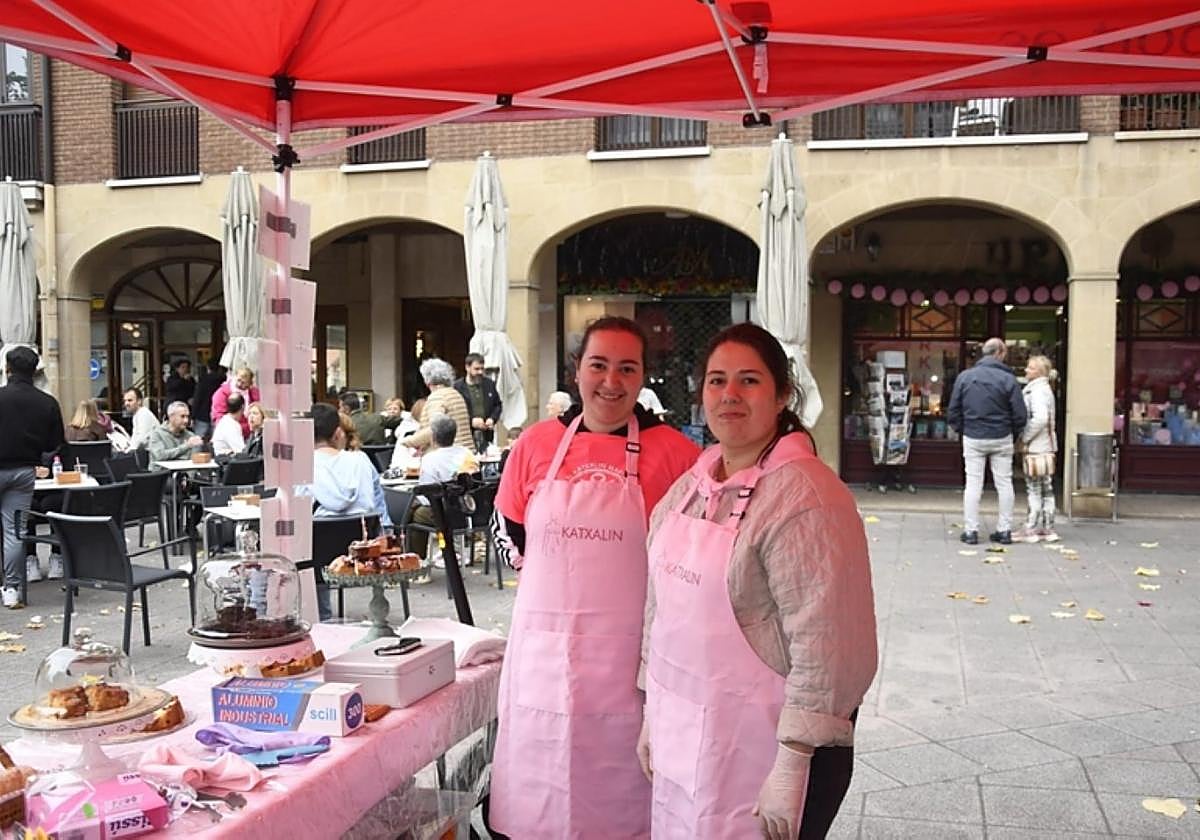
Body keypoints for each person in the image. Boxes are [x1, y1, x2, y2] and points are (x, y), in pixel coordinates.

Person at [637, 323, 877, 840]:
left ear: (782, 395)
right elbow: (657, 612)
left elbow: (829, 640)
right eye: (716, 381)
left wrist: (793, 761)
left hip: (767, 752)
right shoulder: (688, 489)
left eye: (749, 381)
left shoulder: (806, 498)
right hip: (687, 737)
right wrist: (653, 712)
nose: (729, 396)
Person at [487, 316, 699, 840]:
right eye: (599, 365)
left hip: (630, 665)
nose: (612, 381)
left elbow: (695, 553)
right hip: (544, 658)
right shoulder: (536, 444)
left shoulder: (675, 452)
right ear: (576, 371)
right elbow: (508, 528)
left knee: (625, 804)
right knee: (540, 803)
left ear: (644, 376)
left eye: (627, 368)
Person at [308, 403, 392, 620]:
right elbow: (379, 506)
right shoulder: (362, 461)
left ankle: (322, 617)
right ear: (338, 433)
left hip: (318, 557)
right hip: (364, 550)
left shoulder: (302, 467)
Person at [0, 348, 65, 608]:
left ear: (7, 368)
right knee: (14, 532)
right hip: (24, 471)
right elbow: (54, 442)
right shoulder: (47, 402)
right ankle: (13, 589)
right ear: (35, 371)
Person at [947, 338, 1027, 545]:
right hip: (1001, 436)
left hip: (973, 436)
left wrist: (964, 429)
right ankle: (1004, 530)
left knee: (973, 484)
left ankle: (971, 530)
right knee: (1004, 483)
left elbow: (953, 411)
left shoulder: (965, 377)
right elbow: (1020, 415)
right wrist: (1012, 433)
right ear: (999, 353)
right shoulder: (1009, 380)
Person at [406, 415, 474, 567]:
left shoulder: (431, 459)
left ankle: (416, 560)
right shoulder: (467, 453)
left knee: (412, 513)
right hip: (468, 511)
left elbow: (426, 496)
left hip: (443, 512)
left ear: (433, 436)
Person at [1015, 355, 1059, 543]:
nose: (1026, 370)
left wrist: (1025, 438)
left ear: (1040, 372)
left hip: (1036, 448)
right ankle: (1047, 528)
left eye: (1030, 368)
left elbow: (1040, 419)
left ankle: (1031, 527)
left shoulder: (1037, 392)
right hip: (1047, 446)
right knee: (1046, 488)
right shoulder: (1045, 389)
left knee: (1034, 488)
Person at [397, 358, 472, 453]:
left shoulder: (437, 397)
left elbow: (435, 429)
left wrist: (410, 441)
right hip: (465, 453)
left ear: (427, 381)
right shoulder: (456, 394)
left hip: (447, 456)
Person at [453, 352, 503, 453]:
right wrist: (470, 421)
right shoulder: (457, 387)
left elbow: (497, 405)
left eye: (482, 368)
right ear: (467, 367)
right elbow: (454, 411)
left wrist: (492, 419)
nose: (480, 372)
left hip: (486, 435)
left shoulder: (489, 384)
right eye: (476, 369)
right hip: (465, 436)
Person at [211, 367, 261, 438]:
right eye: (238, 380)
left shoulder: (252, 392)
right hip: (231, 433)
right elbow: (218, 416)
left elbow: (259, 408)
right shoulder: (222, 393)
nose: (239, 384)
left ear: (249, 384)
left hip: (250, 433)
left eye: (243, 383)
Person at [192, 359, 225, 439]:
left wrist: (193, 415)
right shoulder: (224, 381)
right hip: (218, 414)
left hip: (202, 414)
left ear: (208, 368)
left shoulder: (203, 381)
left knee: (198, 441)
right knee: (216, 440)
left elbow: (197, 398)